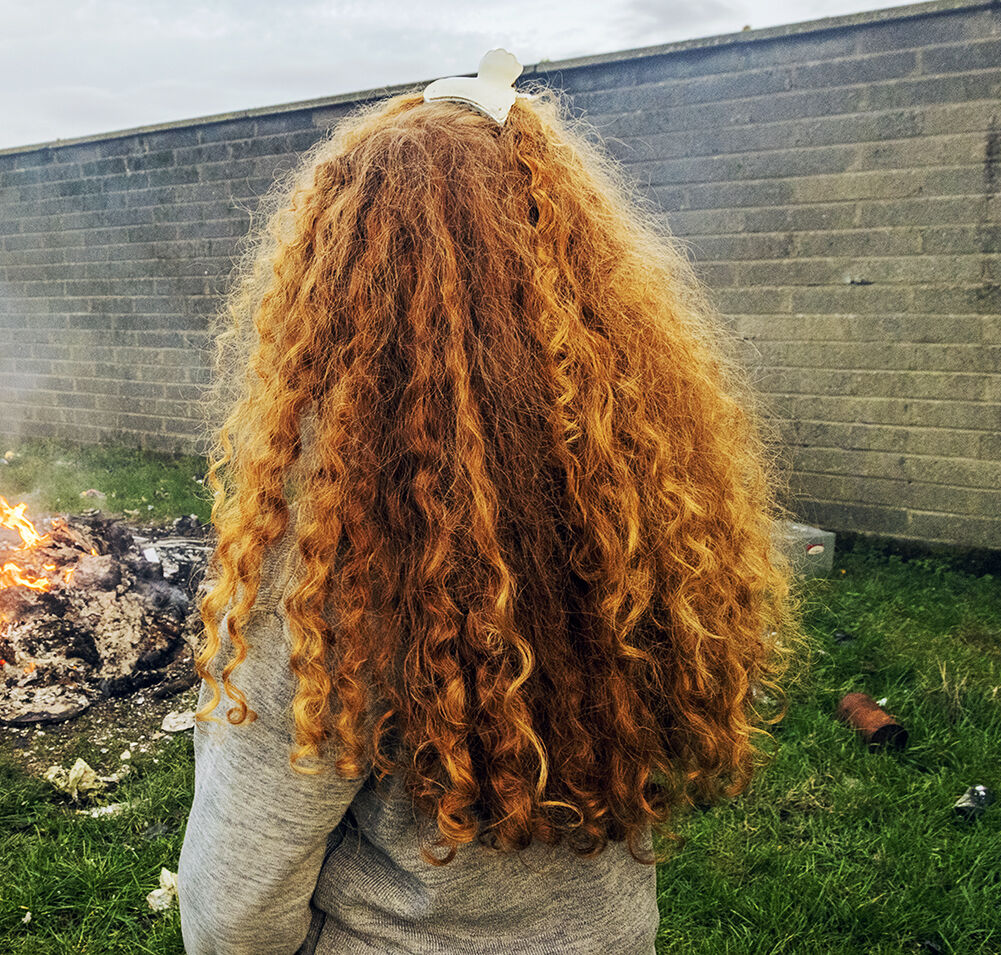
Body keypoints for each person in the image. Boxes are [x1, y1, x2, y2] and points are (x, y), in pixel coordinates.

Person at [177, 51, 800, 954]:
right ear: (574, 259)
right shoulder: (639, 481)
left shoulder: (343, 546)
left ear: (340, 276)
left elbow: (238, 896)